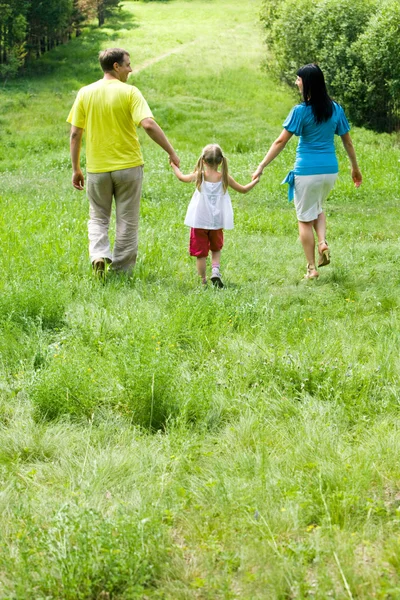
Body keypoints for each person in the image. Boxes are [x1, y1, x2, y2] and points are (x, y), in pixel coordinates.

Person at [67, 47, 180, 276]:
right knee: (127, 219)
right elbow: (147, 124)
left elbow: (75, 134)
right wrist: (171, 151)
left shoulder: (85, 93)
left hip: (97, 169)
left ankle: (98, 254)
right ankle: (120, 272)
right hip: (128, 167)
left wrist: (76, 168)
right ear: (116, 66)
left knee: (98, 216)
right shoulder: (130, 92)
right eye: (127, 64)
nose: (130, 68)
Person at [252, 63, 362, 279]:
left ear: (307, 83)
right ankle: (322, 242)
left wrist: (262, 165)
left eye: (298, 79)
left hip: (307, 171)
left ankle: (311, 269)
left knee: (304, 219)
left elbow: (280, 141)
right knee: (318, 207)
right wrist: (354, 168)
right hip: (329, 171)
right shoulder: (336, 109)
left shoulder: (300, 111)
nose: (296, 82)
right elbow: (348, 143)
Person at [170, 144, 259, 287]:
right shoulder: (224, 177)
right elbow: (243, 190)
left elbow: (182, 177)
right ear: (221, 161)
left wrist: (174, 166)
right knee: (216, 248)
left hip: (199, 220)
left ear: (203, 160)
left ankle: (203, 281)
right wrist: (255, 180)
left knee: (201, 253)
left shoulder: (200, 176)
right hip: (217, 221)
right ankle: (215, 271)